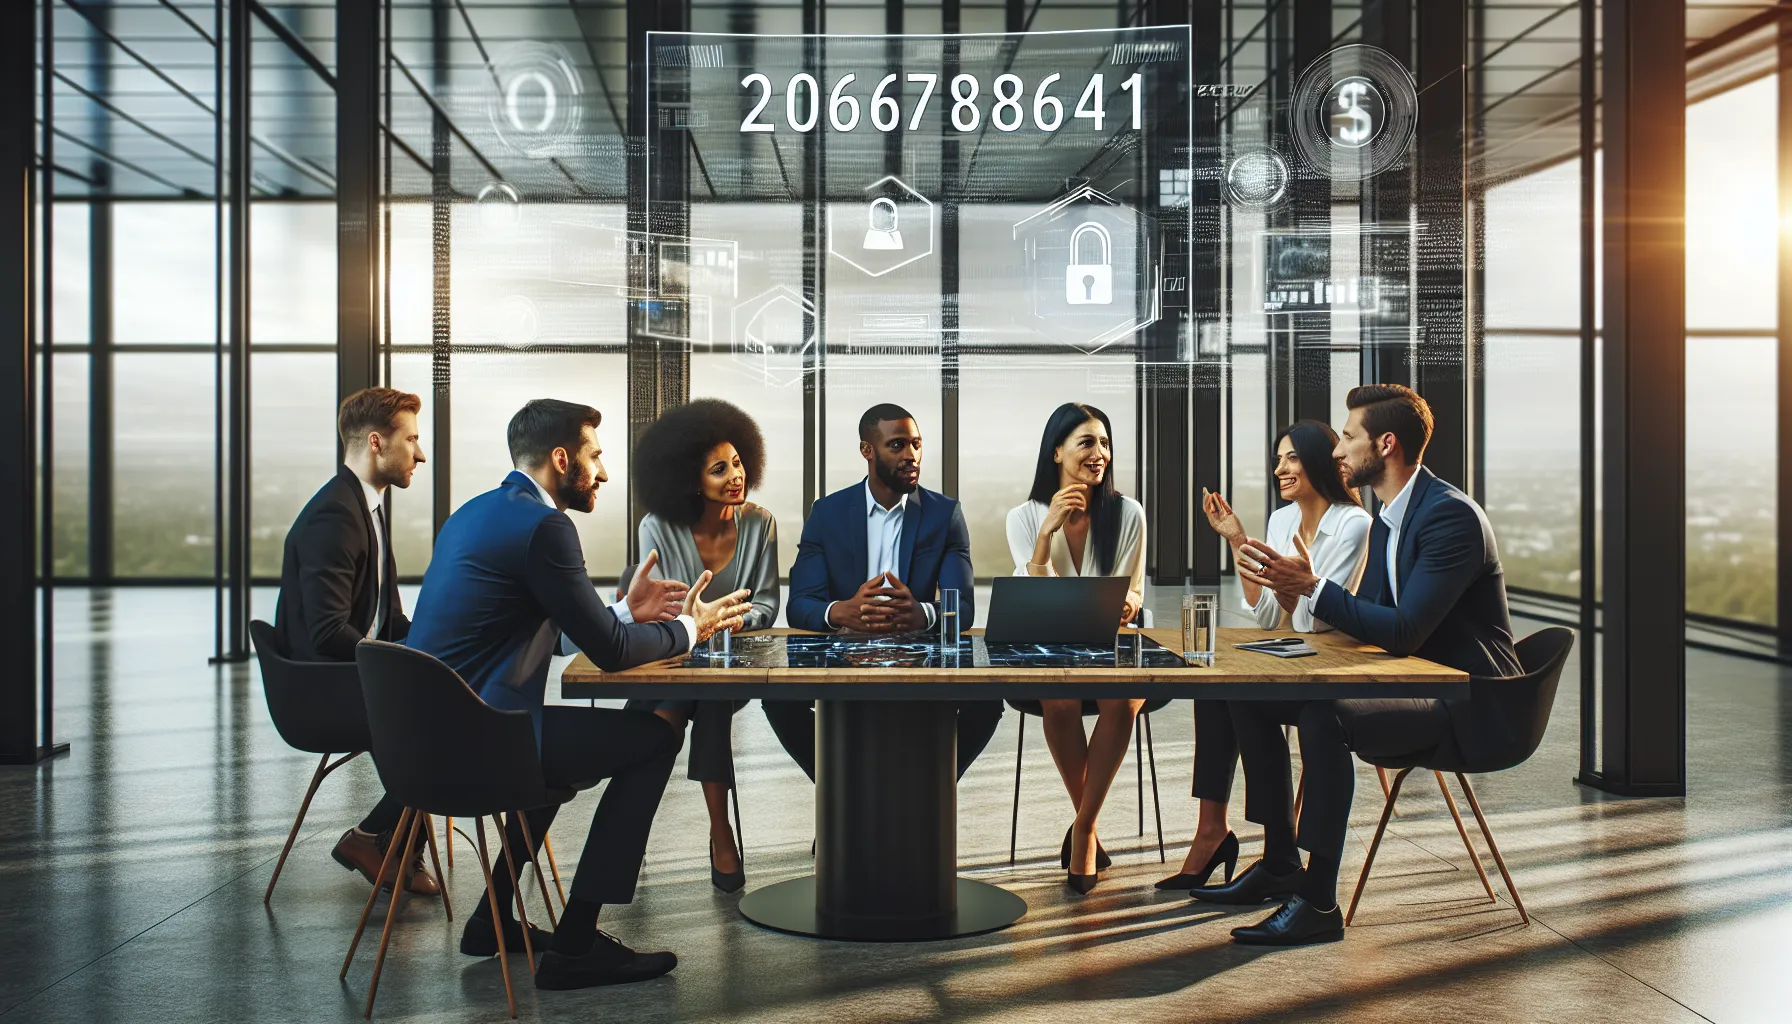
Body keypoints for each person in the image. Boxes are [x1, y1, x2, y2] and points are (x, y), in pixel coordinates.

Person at [404, 399, 751, 989]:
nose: (605, 473)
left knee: (576, 751)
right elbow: (612, 653)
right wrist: (695, 627)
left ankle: (492, 919)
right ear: (561, 459)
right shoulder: (546, 527)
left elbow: (563, 628)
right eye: (595, 456)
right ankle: (577, 942)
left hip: (425, 742)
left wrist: (622, 611)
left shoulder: (476, 513)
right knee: (655, 734)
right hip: (485, 744)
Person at [1190, 384, 1521, 948]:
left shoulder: (1448, 518)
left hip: (1468, 701)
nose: (1338, 452)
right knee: (1247, 692)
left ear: (1385, 444)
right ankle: (1278, 861)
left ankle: (1318, 900)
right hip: (1410, 678)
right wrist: (1301, 594)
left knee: (1327, 716)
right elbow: (1364, 619)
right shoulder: (1396, 516)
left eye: (1348, 437)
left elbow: (1403, 629)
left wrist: (1310, 584)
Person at [1156, 420, 1371, 891]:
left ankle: (1277, 852)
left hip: (1332, 668)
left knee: (1241, 694)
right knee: (1213, 685)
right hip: (1295, 655)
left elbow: (1317, 623)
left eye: (1290, 457)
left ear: (1319, 460)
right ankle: (1215, 831)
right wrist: (1238, 540)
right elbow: (1269, 614)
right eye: (1278, 459)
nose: (1280, 468)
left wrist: (1302, 585)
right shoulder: (1281, 521)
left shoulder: (1353, 524)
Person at [764, 403, 1002, 783]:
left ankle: (927, 795)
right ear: (867, 450)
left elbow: (965, 608)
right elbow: (800, 605)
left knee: (987, 703)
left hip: (920, 659)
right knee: (777, 699)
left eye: (917, 444)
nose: (911, 455)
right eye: (897, 445)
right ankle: (842, 794)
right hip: (843, 658)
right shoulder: (827, 513)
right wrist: (841, 612)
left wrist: (923, 614)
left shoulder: (945, 514)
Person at [274, 387, 438, 898]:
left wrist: (441, 645)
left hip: (348, 676)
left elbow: (387, 620)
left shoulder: (367, 507)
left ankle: (393, 847)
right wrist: (407, 668)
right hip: (321, 690)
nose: (420, 453)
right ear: (375, 443)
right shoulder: (336, 515)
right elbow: (327, 632)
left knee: (451, 692)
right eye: (410, 439)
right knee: (444, 721)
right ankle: (374, 840)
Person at [622, 399, 778, 894]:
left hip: (732, 660)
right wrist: (698, 625)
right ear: (691, 481)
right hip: (671, 656)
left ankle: (712, 830)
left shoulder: (760, 523)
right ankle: (706, 832)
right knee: (669, 707)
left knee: (701, 699)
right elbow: (662, 608)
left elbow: (769, 607)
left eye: (737, 463)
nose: (736, 476)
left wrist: (717, 622)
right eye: (719, 469)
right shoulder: (657, 527)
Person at [1004, 403, 1146, 894]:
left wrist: (1126, 604)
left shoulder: (1128, 513)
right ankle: (1089, 825)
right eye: (1087, 442)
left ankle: (1083, 828)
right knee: (1059, 698)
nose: (1099, 453)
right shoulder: (1023, 517)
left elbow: (1132, 592)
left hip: (1112, 643)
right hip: (1053, 646)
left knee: (1122, 698)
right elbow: (1033, 597)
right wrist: (1047, 535)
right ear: (1057, 451)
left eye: (1105, 443)